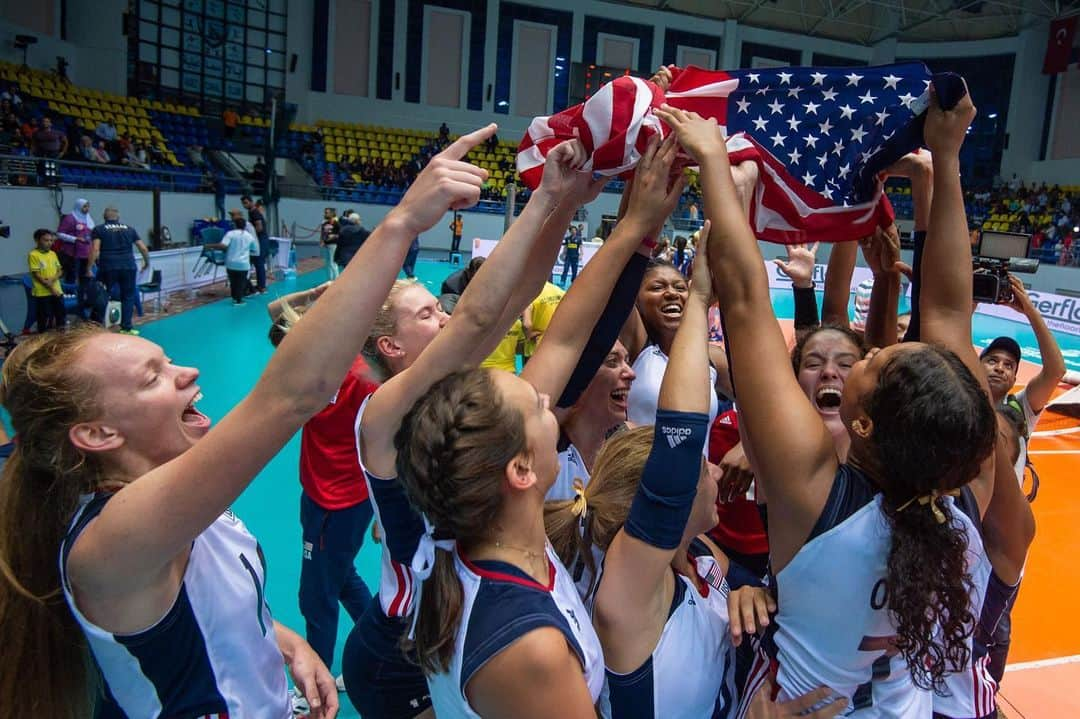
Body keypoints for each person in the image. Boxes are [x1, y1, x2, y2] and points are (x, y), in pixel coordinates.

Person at [0, 124, 485, 716]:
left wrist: (281, 639)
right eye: (153, 377)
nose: (186, 372)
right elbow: (291, 395)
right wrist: (402, 222)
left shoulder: (182, 511)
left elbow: (210, 609)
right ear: (98, 435)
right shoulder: (111, 542)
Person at [656, 84, 1001, 715]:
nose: (869, 352)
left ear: (863, 423)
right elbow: (950, 307)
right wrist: (945, 160)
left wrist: (713, 163)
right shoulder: (964, 492)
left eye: (871, 362)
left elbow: (742, 302)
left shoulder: (820, 497)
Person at [340, 129, 604, 719]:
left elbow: (522, 292)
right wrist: (543, 195)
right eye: (427, 313)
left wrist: (567, 205)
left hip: (442, 620)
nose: (444, 316)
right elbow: (482, 312)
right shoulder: (382, 415)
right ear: (390, 345)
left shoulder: (450, 400)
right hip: (397, 651)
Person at [267, 288, 379, 707]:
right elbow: (276, 315)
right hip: (327, 496)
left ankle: (313, 688)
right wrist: (319, 293)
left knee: (316, 597)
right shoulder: (328, 357)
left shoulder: (346, 374)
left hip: (337, 502)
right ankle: (378, 649)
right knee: (343, 575)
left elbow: (276, 317)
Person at [89, 206, 150, 335]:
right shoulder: (129, 229)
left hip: (108, 266)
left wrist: (88, 268)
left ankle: (96, 328)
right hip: (128, 266)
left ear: (104, 217)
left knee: (102, 294)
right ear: (118, 217)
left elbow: (95, 249)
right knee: (128, 296)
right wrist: (146, 263)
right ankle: (126, 328)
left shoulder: (99, 229)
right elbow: (143, 248)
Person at [205, 214, 259, 305]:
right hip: (243, 264)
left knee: (233, 281)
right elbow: (254, 248)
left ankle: (234, 297)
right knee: (241, 282)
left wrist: (210, 245)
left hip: (230, 262)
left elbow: (223, 246)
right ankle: (239, 300)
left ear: (234, 225)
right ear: (244, 226)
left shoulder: (230, 234)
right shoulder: (249, 236)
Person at [56, 198, 95, 316]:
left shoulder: (89, 219)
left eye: (88, 206)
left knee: (85, 276)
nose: (87, 209)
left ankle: (84, 299)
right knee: (71, 276)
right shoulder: (70, 218)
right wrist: (75, 239)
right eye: (84, 207)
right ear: (79, 207)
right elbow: (60, 234)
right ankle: (69, 299)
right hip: (72, 253)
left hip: (85, 253)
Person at [27, 228, 66, 333]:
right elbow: (37, 275)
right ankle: (43, 339)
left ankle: (61, 337)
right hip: (43, 293)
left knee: (60, 315)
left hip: (57, 291)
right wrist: (52, 289)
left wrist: (53, 279)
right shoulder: (33, 255)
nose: (49, 243)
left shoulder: (53, 254)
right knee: (44, 318)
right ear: (37, 240)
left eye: (51, 240)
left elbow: (60, 271)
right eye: (46, 240)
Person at [242, 195, 270, 293]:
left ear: (251, 202)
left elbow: (259, 227)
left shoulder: (254, 212)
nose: (244, 205)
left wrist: (251, 236)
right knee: (258, 262)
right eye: (243, 204)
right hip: (259, 239)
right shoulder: (252, 212)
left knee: (259, 262)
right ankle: (260, 285)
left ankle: (262, 286)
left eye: (246, 203)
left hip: (260, 239)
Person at [320, 207, 341, 280]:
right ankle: (330, 280)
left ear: (332, 214)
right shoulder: (324, 223)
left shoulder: (337, 223)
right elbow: (322, 233)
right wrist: (322, 241)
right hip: (326, 244)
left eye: (327, 212)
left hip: (333, 245)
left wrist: (334, 235)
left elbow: (341, 234)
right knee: (327, 263)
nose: (325, 214)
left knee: (333, 263)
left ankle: (337, 280)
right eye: (325, 212)